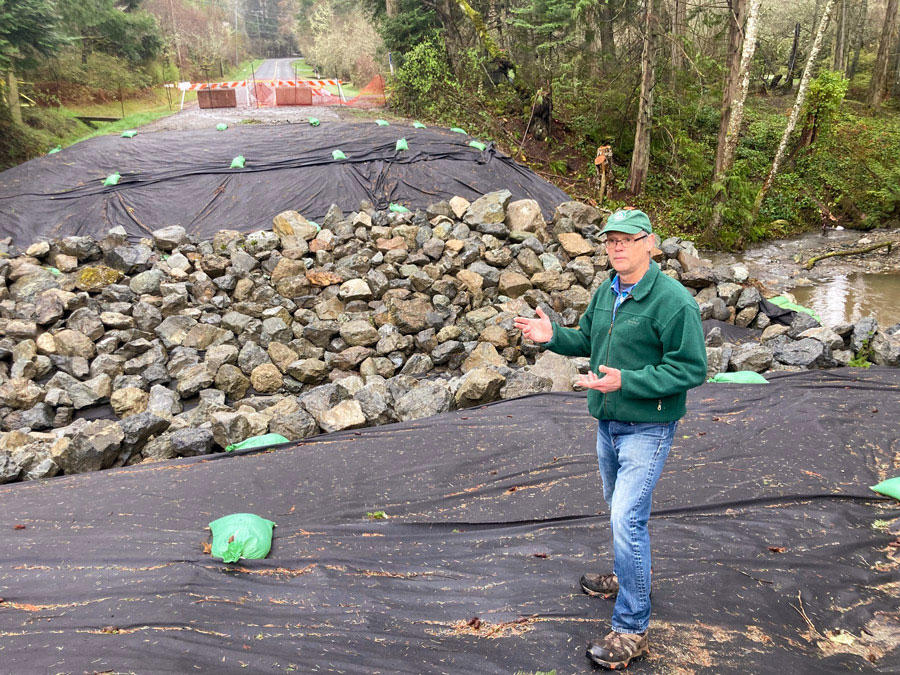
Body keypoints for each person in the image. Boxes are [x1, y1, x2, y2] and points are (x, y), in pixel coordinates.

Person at [514, 208, 707, 669]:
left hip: (648, 426)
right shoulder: (608, 290)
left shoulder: (674, 301)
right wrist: (551, 336)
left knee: (626, 517)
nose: (616, 247)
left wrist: (629, 381)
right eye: (609, 240)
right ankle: (628, 575)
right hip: (607, 421)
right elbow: (587, 338)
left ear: (650, 242)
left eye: (626, 239)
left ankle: (632, 628)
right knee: (617, 507)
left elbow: (691, 368)